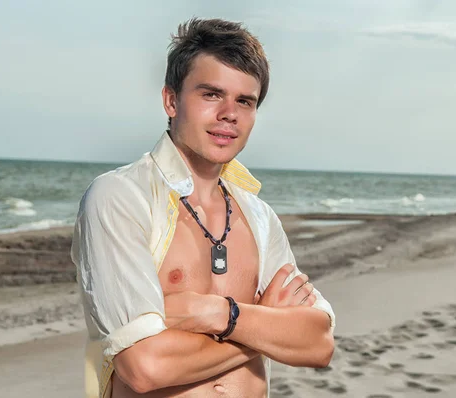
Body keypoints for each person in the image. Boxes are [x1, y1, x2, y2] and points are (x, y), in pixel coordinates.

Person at [71, 18, 336, 398]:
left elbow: (319, 342)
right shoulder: (120, 198)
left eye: (245, 101)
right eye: (211, 94)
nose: (230, 113)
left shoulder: (259, 217)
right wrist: (264, 324)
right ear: (171, 100)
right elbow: (145, 366)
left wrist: (217, 314)